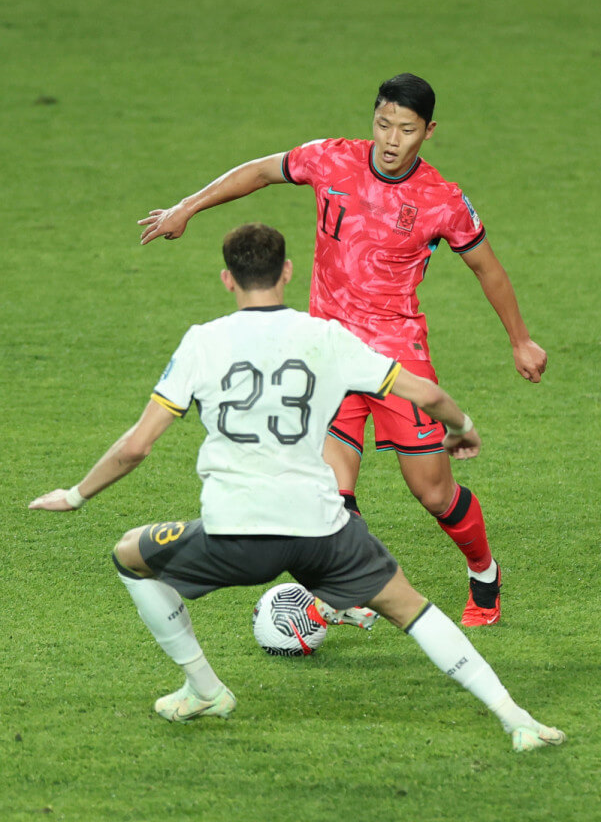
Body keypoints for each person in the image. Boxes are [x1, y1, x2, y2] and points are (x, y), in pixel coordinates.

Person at [30, 223, 564, 753]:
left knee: (130, 555)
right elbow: (423, 389)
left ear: (227, 279)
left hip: (234, 535)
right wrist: (460, 426)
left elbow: (135, 448)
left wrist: (75, 495)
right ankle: (516, 719)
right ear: (287, 272)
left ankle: (204, 687)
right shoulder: (324, 336)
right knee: (411, 608)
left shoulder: (203, 341)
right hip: (323, 529)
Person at [137, 74, 548, 627]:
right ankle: (356, 592)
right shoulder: (330, 160)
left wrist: (520, 340)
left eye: (406, 129)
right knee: (331, 490)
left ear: (428, 131)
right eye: (383, 124)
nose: (391, 139)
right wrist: (188, 205)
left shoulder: (442, 200)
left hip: (397, 356)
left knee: (433, 493)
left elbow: (486, 267)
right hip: (329, 355)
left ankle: (484, 572)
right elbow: (260, 170)